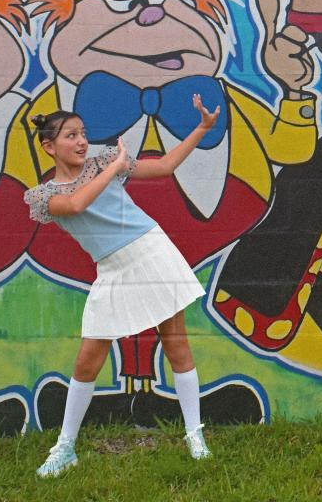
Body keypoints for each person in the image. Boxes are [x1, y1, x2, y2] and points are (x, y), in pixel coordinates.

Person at [24, 94, 220, 477]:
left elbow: (163, 166)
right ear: (49, 146)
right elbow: (77, 204)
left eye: (83, 133)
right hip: (112, 269)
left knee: (175, 342)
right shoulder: (46, 196)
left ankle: (195, 436)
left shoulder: (102, 164)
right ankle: (65, 448)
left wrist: (202, 128)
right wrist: (112, 169)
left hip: (151, 251)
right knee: (88, 359)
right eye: (70, 136)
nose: (81, 141)